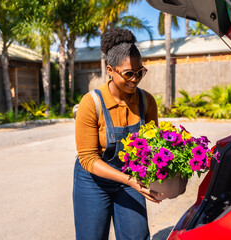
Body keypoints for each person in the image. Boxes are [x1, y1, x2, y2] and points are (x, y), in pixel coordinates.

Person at [73, 28, 160, 240]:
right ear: (110, 70)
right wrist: (129, 179)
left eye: (140, 72)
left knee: (137, 236)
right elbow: (87, 158)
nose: (135, 79)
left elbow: (153, 146)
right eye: (129, 73)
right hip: (93, 182)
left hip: (130, 179)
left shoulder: (146, 101)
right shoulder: (91, 103)